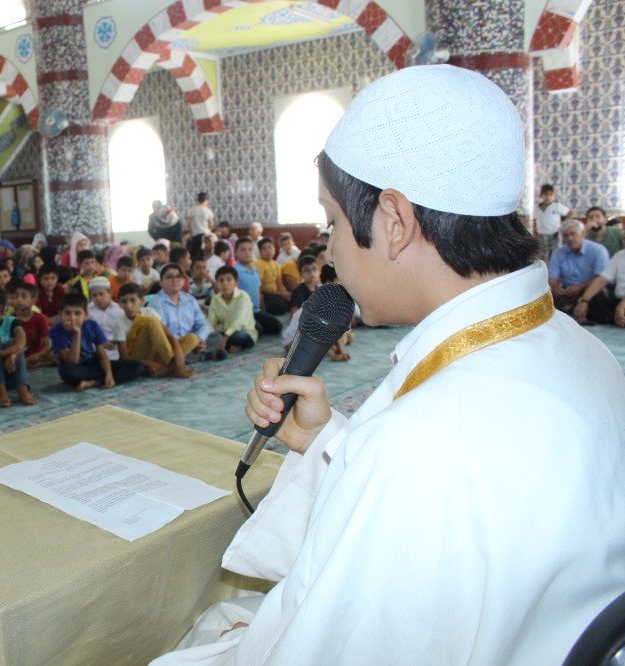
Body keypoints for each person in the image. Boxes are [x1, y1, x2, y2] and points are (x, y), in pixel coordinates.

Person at [153, 64, 625, 665]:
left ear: (394, 223)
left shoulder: (421, 443)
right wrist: (328, 440)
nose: (330, 252)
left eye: (333, 223)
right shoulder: (580, 349)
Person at [50, 293, 144, 391]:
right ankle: (98, 379)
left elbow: (102, 354)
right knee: (69, 373)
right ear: (61, 314)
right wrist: (77, 334)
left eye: (77, 313)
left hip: (93, 363)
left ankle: (95, 382)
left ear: (86, 315)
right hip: (76, 369)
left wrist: (109, 374)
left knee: (137, 366)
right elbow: (73, 361)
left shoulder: (92, 325)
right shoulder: (56, 331)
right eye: (67, 313)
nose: (72, 318)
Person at [114, 283, 193, 378]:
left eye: (133, 300)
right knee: (151, 322)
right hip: (138, 358)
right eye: (124, 302)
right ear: (120, 304)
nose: (129, 306)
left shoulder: (149, 311)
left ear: (142, 301)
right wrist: (151, 364)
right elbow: (124, 357)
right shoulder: (120, 325)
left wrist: (179, 353)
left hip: (156, 353)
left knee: (192, 338)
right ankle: (171, 366)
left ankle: (171, 365)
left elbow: (169, 336)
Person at [151, 263, 222, 361]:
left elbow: (203, 324)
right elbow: (161, 334)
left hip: (192, 341)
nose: (174, 280)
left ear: (183, 281)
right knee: (165, 348)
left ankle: (193, 356)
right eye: (169, 277)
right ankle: (199, 356)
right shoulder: (156, 304)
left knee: (216, 336)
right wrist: (189, 343)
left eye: (178, 277)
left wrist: (199, 339)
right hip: (172, 344)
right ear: (161, 282)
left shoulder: (190, 300)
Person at [548, 219, 609, 312]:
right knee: (549, 299)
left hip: (591, 289)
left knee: (599, 300)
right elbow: (552, 278)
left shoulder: (598, 251)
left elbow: (601, 278)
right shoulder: (558, 253)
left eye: (573, 234)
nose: (570, 238)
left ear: (583, 233)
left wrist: (579, 287)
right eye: (566, 235)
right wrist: (555, 288)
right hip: (568, 290)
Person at [233, 237, 282, 335]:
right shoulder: (235, 272)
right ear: (236, 253)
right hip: (242, 312)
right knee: (258, 328)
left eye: (249, 249)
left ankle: (251, 330)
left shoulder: (255, 270)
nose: (247, 252)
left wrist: (263, 309)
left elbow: (259, 291)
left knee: (277, 326)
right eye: (242, 250)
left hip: (256, 310)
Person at [207, 265, 257, 354]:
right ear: (217, 283)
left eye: (229, 280)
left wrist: (225, 338)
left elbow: (239, 322)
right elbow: (211, 322)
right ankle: (230, 346)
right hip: (223, 332)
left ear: (236, 282)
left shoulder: (243, 297)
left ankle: (228, 345)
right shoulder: (215, 300)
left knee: (240, 336)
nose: (225, 283)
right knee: (210, 335)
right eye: (221, 281)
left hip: (242, 331)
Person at [572, 246, 625, 326]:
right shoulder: (620, 255)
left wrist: (621, 306)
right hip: (618, 301)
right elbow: (602, 279)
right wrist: (584, 301)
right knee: (593, 299)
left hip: (622, 304)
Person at [9, 281, 53, 368]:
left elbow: (48, 344)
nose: (19, 299)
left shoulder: (40, 318)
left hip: (37, 356)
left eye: (23, 296)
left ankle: (34, 364)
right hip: (19, 356)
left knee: (55, 353)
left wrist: (37, 356)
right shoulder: (10, 320)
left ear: (33, 300)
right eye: (16, 296)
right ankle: (37, 364)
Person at [86, 277, 124, 361]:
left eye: (101, 294)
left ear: (110, 293)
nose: (98, 298)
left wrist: (114, 341)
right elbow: (86, 333)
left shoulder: (120, 310)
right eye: (94, 295)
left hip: (115, 346)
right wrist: (101, 342)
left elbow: (123, 331)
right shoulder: (87, 312)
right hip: (95, 347)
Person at [533, 183, 574, 261]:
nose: (548, 196)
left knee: (556, 254)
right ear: (541, 195)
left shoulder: (557, 206)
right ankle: (545, 271)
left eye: (550, 194)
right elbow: (533, 220)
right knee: (542, 256)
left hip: (555, 233)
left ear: (553, 196)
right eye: (546, 194)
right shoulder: (536, 208)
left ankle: (556, 270)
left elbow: (571, 213)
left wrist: (563, 223)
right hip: (541, 234)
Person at [254, 237, 291, 315]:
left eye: (270, 247)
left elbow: (279, 284)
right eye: (264, 248)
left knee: (293, 300)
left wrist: (286, 294)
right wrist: (280, 294)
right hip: (266, 295)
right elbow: (260, 288)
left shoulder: (275, 264)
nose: (268, 250)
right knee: (282, 307)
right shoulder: (258, 264)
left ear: (274, 248)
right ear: (260, 252)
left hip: (276, 293)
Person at [186, 192, 215, 259]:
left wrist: (191, 233)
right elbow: (211, 225)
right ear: (206, 200)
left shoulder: (192, 210)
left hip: (196, 235)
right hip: (206, 236)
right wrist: (209, 231)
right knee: (206, 255)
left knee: (195, 255)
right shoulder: (208, 211)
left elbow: (189, 224)